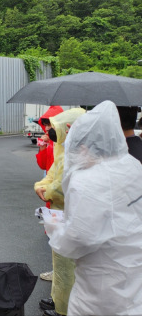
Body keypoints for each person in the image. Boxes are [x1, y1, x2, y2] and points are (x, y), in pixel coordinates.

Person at [44, 101, 142, 315]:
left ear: (85, 147)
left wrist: (56, 229)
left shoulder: (87, 180)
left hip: (101, 288)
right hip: (134, 275)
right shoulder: (132, 166)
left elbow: (79, 238)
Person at [33, 108, 86, 316]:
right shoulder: (62, 149)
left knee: (68, 265)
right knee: (59, 260)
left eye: (56, 126)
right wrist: (40, 186)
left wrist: (46, 190)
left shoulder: (79, 153)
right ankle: (58, 300)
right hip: (58, 213)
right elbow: (52, 174)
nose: (52, 131)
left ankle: (65, 308)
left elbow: (63, 186)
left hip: (71, 215)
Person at [34, 106, 63, 282]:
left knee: (60, 235)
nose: (46, 128)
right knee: (54, 233)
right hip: (50, 192)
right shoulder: (51, 141)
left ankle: (60, 274)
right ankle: (57, 271)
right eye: (44, 124)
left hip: (59, 193)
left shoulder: (64, 142)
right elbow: (43, 165)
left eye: (49, 124)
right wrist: (43, 147)